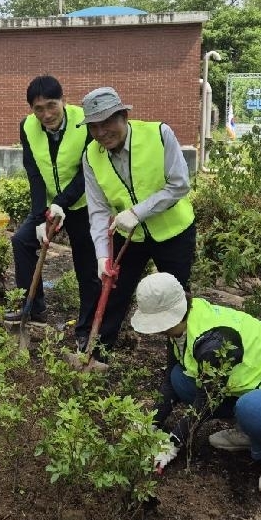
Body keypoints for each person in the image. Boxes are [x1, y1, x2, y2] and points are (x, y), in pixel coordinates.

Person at [131, 272, 261, 497]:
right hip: (259, 392)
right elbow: (170, 378)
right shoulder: (183, 327)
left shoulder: (214, 341)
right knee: (180, 378)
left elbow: (207, 400)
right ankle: (250, 431)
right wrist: (150, 422)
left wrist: (172, 443)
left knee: (251, 408)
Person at [80, 87, 195, 354]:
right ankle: (98, 356)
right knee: (112, 294)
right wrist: (101, 256)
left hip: (174, 233)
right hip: (130, 237)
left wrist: (137, 212)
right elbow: (97, 210)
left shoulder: (159, 134)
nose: (101, 132)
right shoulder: (91, 156)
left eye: (107, 121)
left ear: (124, 115)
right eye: (93, 126)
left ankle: (182, 360)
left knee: (175, 300)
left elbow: (179, 185)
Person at [3, 76, 100, 334]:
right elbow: (34, 174)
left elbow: (87, 172)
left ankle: (87, 326)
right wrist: (37, 219)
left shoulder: (85, 121)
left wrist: (62, 203)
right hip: (49, 205)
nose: (46, 114)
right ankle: (33, 308)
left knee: (86, 264)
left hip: (82, 205)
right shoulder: (27, 127)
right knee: (22, 241)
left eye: (51, 105)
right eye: (38, 109)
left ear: (64, 100)